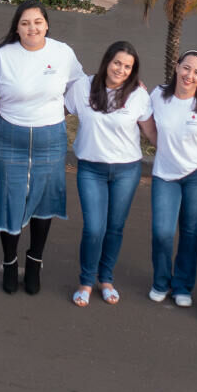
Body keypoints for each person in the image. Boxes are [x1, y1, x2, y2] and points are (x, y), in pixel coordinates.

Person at [0, 2, 83, 295]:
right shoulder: (0, 58)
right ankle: (10, 262)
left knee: (44, 200)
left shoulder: (62, 53)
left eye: (37, 22)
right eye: (25, 23)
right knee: (11, 199)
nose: (32, 28)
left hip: (51, 136)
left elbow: (79, 84)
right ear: (16, 27)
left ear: (47, 25)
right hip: (10, 136)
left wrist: (62, 111)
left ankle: (34, 261)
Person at [66, 41, 150, 307]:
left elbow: (151, 132)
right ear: (107, 61)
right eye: (117, 63)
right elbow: (59, 112)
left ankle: (106, 279)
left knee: (114, 228)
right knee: (94, 228)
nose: (121, 70)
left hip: (127, 170)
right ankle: (86, 281)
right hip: (91, 169)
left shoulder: (138, 94)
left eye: (128, 66)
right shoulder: (83, 87)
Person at [144, 50, 197, 307]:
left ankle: (183, 285)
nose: (190, 75)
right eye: (186, 68)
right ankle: (161, 281)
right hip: (165, 174)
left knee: (190, 231)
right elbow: (146, 123)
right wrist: (161, 147)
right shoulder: (158, 95)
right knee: (162, 231)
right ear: (177, 67)